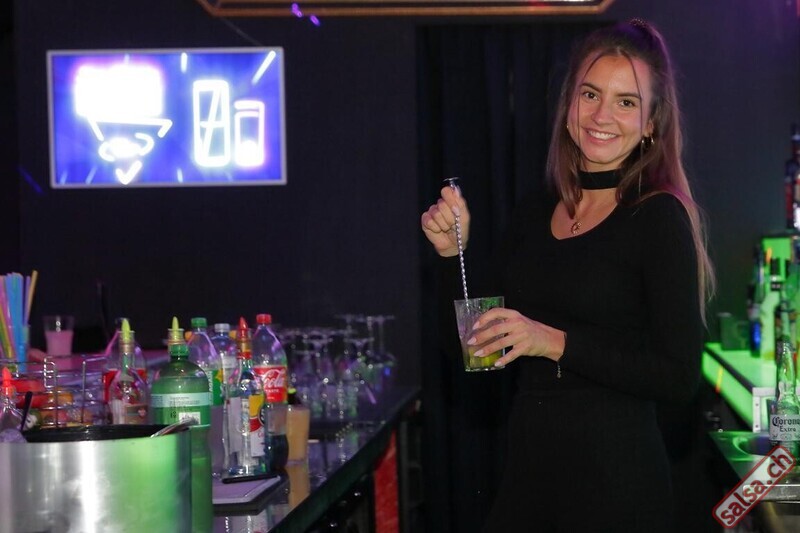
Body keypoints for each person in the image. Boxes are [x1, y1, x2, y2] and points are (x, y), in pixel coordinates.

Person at [421, 19, 714, 532]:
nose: (602, 116)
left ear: (651, 123)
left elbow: (679, 377)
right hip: (530, 478)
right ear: (569, 105)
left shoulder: (657, 217)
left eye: (626, 102)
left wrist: (553, 341)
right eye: (590, 94)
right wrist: (453, 256)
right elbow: (476, 353)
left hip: (616, 487)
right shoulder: (536, 211)